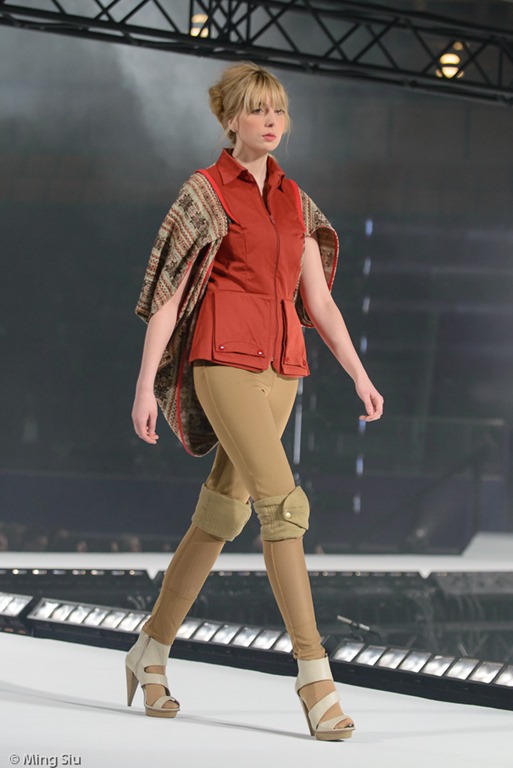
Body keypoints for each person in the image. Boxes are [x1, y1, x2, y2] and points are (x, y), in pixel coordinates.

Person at [125, 61, 383, 741]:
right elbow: (169, 296)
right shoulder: (204, 191)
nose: (271, 121)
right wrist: (145, 384)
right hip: (222, 362)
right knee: (282, 506)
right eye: (257, 110)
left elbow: (317, 301)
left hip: (283, 369)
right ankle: (314, 678)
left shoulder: (296, 200)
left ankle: (150, 650)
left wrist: (358, 374)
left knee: (221, 514)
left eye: (279, 111)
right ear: (229, 119)